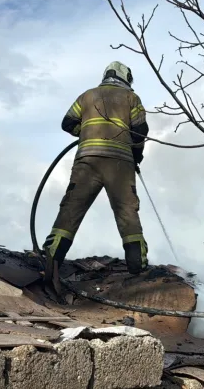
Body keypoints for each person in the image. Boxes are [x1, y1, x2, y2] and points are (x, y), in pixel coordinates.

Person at [43, 61, 150, 283]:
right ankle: (137, 266)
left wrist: (87, 133)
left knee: (71, 208)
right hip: (120, 163)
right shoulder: (132, 98)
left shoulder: (87, 96)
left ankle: (51, 259)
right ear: (126, 78)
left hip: (87, 161)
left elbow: (67, 123)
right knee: (127, 212)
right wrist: (136, 157)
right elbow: (140, 132)